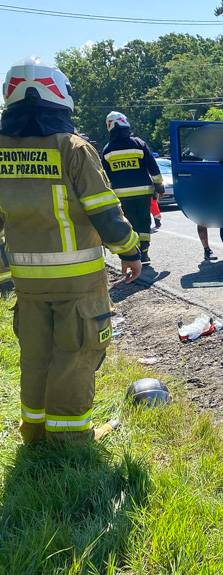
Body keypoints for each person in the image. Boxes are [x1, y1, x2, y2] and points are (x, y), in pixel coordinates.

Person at [0, 57, 141, 444]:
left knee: (35, 356)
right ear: (59, 96)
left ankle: (34, 431)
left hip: (27, 284)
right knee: (75, 355)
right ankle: (73, 440)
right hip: (76, 283)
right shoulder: (74, 148)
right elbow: (104, 210)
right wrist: (129, 250)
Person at [100, 111, 164, 265]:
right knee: (144, 222)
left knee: (130, 223)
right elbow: (152, 166)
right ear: (125, 123)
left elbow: (105, 175)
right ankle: (144, 252)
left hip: (121, 195)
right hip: (143, 193)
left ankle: (133, 251)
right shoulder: (138, 144)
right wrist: (159, 185)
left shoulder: (107, 150)